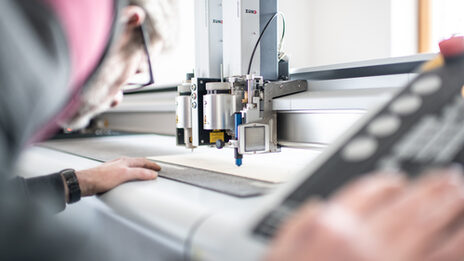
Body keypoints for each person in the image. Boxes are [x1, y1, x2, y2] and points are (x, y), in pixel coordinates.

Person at [2, 0, 464, 260]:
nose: (122, 96)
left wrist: (71, 183)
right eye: (137, 72)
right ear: (129, 25)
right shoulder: (28, 44)